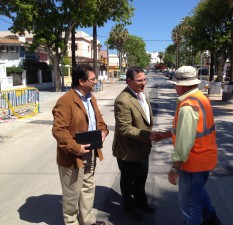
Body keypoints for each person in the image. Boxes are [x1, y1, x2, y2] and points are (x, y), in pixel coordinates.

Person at [154, 66, 222, 225]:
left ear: (182, 85)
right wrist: (165, 134)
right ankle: (212, 220)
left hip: (193, 163)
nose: (174, 86)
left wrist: (174, 169)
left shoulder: (188, 105)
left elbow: (184, 144)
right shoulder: (200, 98)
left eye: (175, 84)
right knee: (198, 193)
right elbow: (191, 130)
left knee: (190, 207)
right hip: (206, 158)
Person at [52, 64, 109, 225]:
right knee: (72, 193)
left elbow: (99, 120)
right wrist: (76, 148)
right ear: (81, 81)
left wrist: (103, 131)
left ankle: (87, 221)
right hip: (72, 155)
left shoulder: (91, 98)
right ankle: (71, 222)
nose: (96, 81)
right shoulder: (65, 101)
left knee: (88, 187)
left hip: (91, 151)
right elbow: (59, 131)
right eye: (92, 79)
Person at [112, 66, 157, 221]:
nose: (143, 83)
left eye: (144, 79)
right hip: (128, 150)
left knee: (141, 178)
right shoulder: (122, 100)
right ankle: (129, 207)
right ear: (129, 81)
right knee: (128, 181)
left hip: (143, 147)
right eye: (139, 80)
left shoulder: (141, 94)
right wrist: (149, 135)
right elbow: (125, 128)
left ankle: (141, 202)